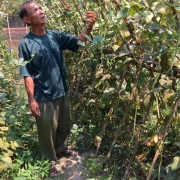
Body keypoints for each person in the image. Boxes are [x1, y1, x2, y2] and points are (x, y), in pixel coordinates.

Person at [18, 0, 96, 177]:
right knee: (47, 131)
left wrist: (89, 27)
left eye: (40, 8)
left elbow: (78, 42)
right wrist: (32, 99)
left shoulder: (55, 36)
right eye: (35, 10)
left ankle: (61, 149)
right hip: (43, 96)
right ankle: (49, 160)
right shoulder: (26, 43)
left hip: (61, 90)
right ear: (27, 19)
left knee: (63, 125)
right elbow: (27, 73)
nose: (41, 11)